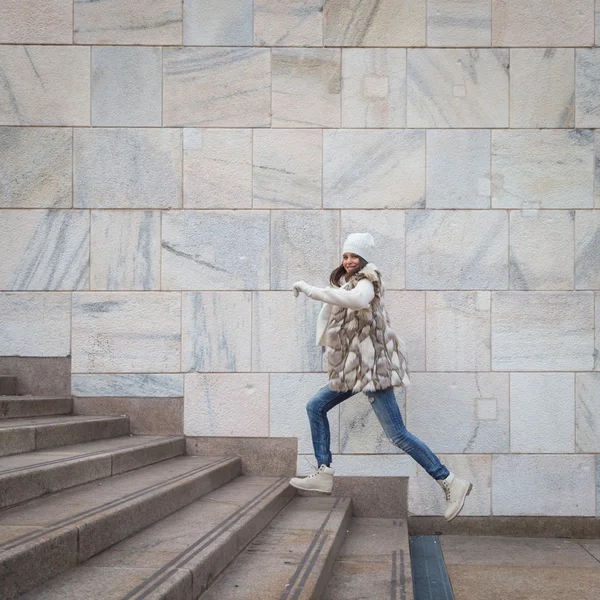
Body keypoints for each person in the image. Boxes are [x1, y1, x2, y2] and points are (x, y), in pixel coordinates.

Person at [288, 232, 472, 522]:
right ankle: (324, 472)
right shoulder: (349, 282)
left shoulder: (367, 282)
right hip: (355, 372)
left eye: (353, 256)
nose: (348, 261)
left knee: (397, 435)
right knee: (315, 406)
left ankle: (450, 481)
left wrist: (312, 290)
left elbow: (357, 301)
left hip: (371, 372)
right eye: (345, 256)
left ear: (363, 260)